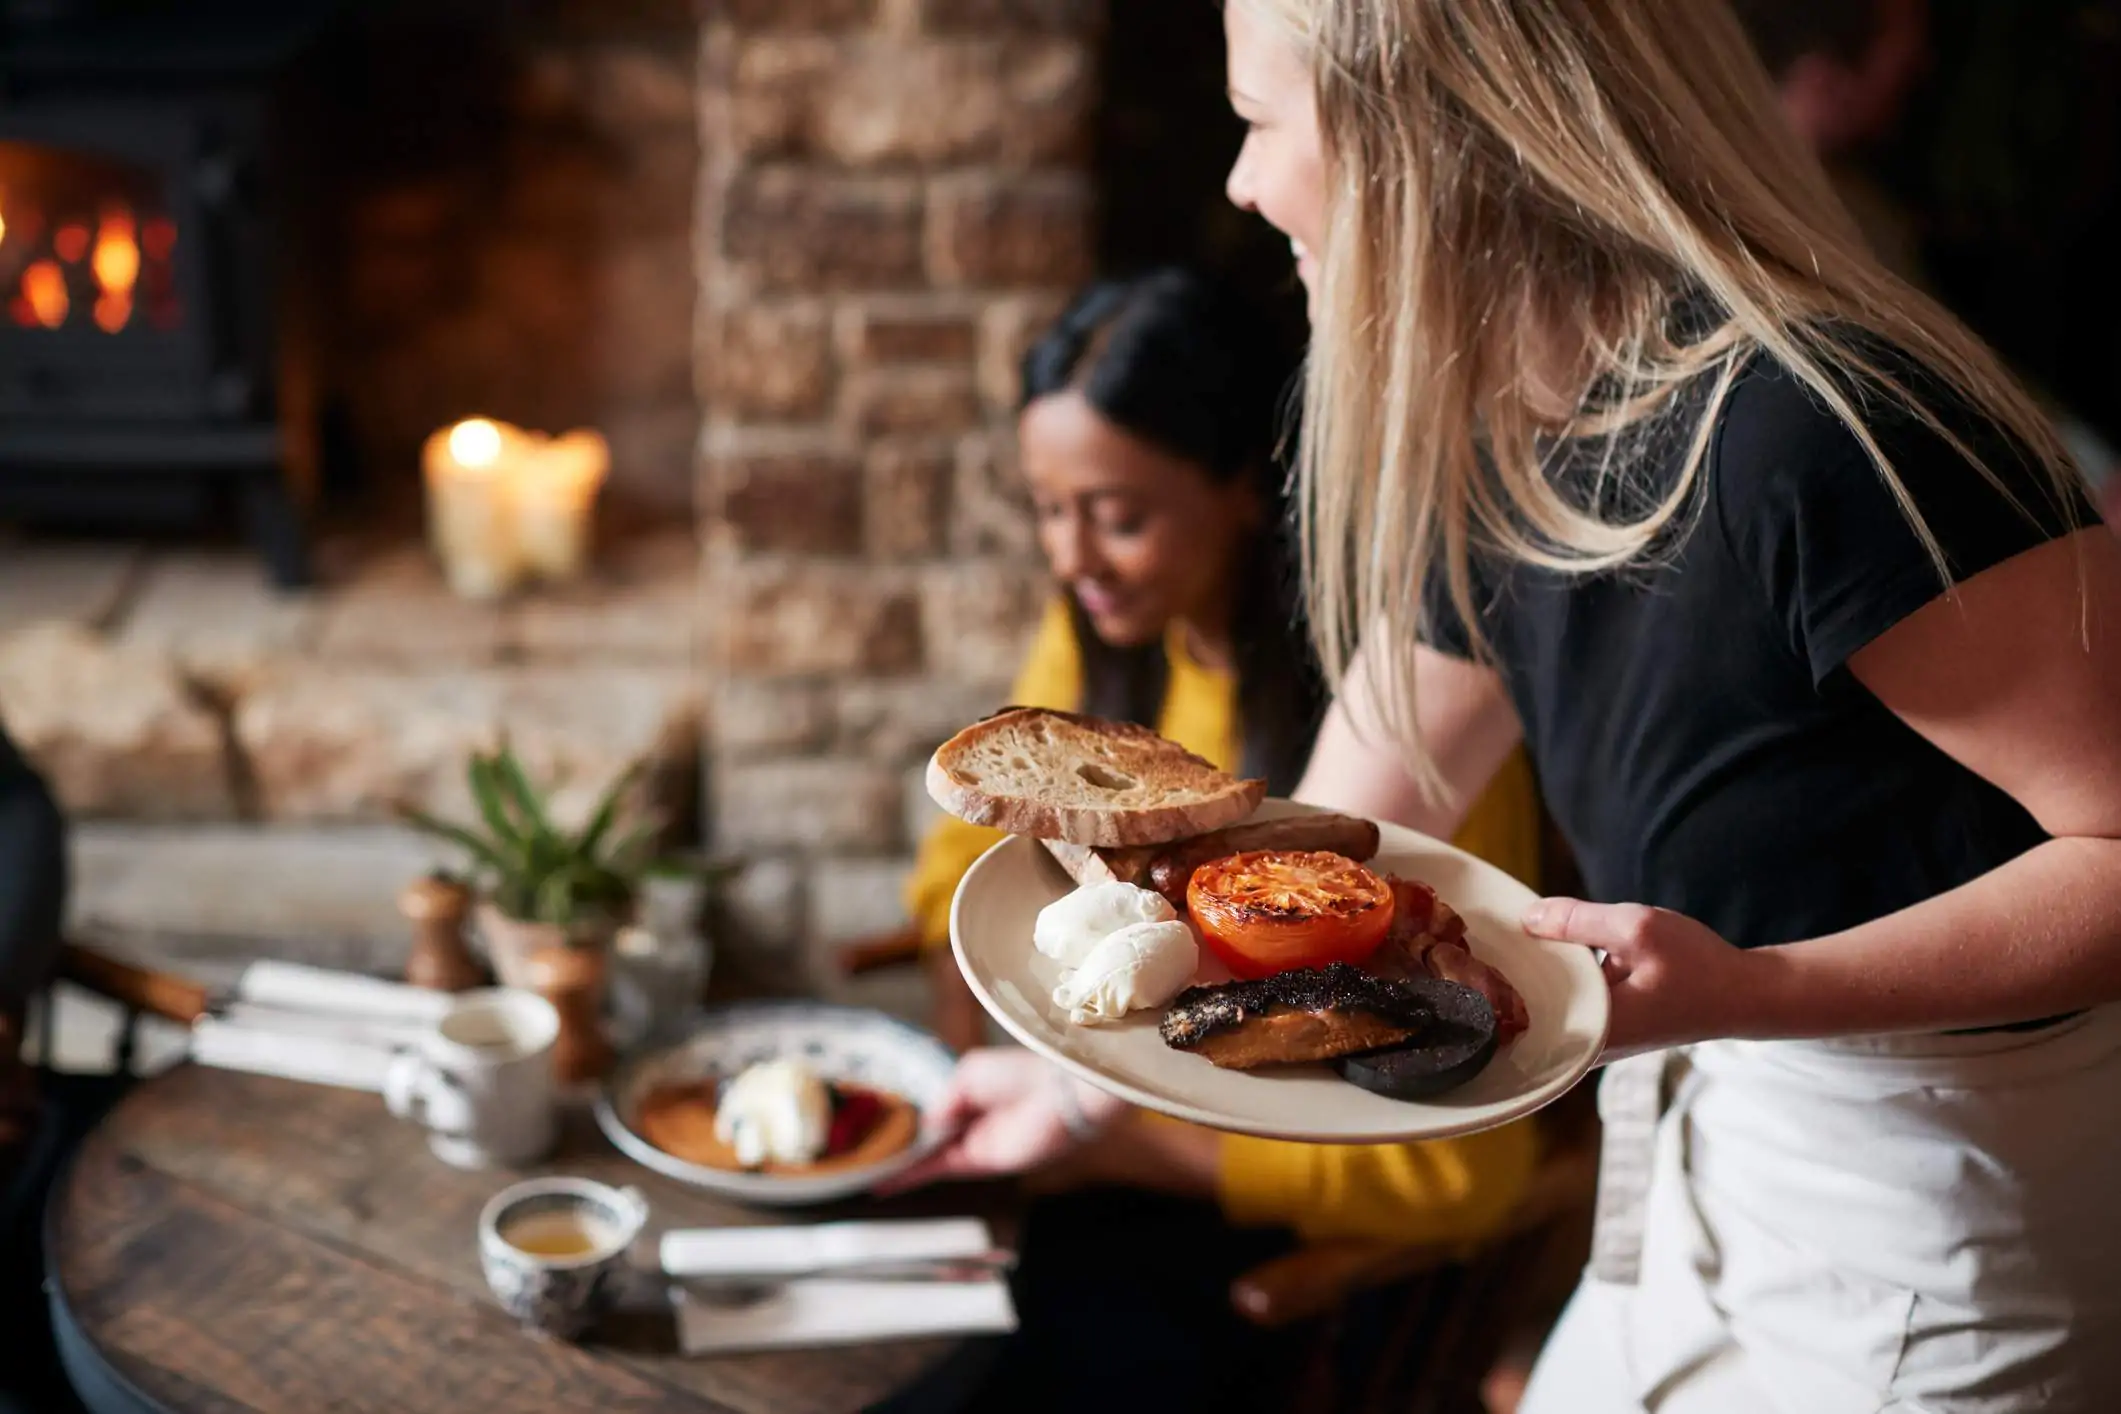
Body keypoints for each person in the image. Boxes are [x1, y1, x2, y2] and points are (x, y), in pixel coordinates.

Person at [901, 3, 2121, 1412]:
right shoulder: (1512, 428)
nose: (1240, 180)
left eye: (1259, 117)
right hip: (1704, 1143)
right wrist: (1077, 1082)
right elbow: (1336, 834)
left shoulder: (1830, 435)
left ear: (1422, 141)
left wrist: (1761, 987)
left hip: (1937, 1219)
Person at [887, 269, 1546, 1412]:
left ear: (1247, 485)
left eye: (1119, 514)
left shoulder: (1391, 719)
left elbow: (1447, 1163)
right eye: (1049, 508)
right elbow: (963, 870)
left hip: (1276, 1245)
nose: (1072, 557)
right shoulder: (1099, 644)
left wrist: (1093, 1133)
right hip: (1076, 1165)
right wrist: (989, 1059)